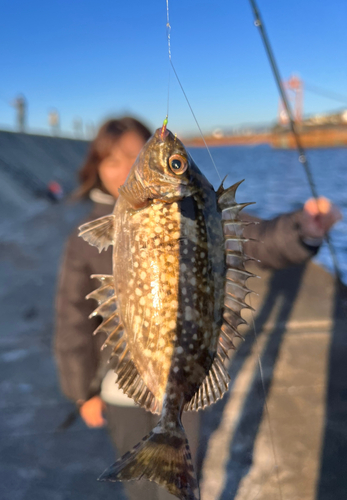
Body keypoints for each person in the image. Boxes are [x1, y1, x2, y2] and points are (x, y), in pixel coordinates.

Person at [54, 116, 342, 500]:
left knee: (181, 482)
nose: (125, 168)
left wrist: (302, 229)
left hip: (184, 382)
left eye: (134, 155)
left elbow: (258, 239)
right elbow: (72, 319)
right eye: (112, 161)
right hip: (119, 384)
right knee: (138, 487)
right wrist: (81, 392)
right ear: (96, 170)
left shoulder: (201, 213)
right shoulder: (85, 238)